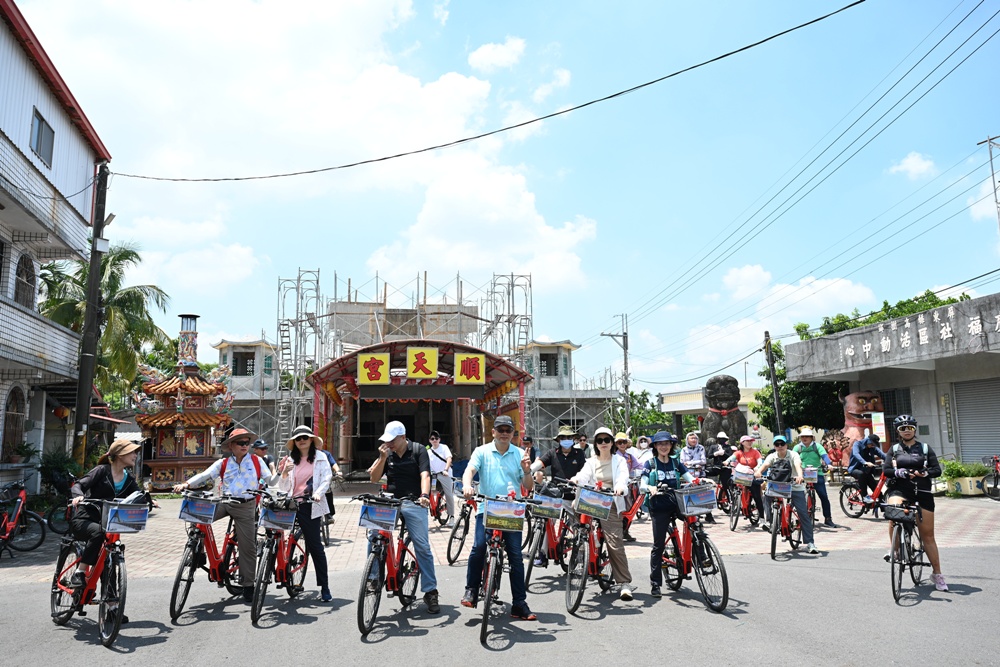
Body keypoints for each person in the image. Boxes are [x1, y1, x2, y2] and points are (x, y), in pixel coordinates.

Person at [174, 428, 271, 602]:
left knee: (247, 547)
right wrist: (186, 484)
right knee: (197, 514)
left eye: (247, 443)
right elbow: (205, 475)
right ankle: (199, 553)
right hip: (225, 502)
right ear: (231, 445)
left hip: (245, 506)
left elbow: (270, 479)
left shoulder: (257, 461)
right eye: (240, 443)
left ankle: (248, 585)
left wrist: (281, 473)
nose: (244, 445)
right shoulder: (224, 462)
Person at [461, 415, 537, 619]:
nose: (504, 433)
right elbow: (469, 470)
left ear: (513, 434)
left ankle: (519, 603)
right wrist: (467, 485)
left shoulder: (519, 454)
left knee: (515, 556)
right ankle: (471, 590)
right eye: (500, 430)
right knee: (478, 547)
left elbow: (528, 486)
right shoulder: (482, 451)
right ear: (493, 432)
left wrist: (527, 471)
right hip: (487, 507)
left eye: (508, 430)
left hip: (512, 510)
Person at [368, 420, 440, 613]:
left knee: (422, 546)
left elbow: (425, 475)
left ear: (403, 437)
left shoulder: (418, 450)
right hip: (390, 501)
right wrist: (382, 458)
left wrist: (424, 496)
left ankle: (430, 591)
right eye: (386, 440)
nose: (388, 444)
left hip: (414, 501)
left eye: (392, 440)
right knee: (374, 535)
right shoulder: (387, 453)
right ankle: (373, 578)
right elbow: (373, 478)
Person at [883, 414, 947, 591]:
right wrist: (900, 472)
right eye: (903, 428)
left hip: (923, 493)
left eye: (910, 428)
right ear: (898, 431)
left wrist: (925, 473)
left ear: (914, 429)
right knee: (893, 510)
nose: (907, 431)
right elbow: (886, 470)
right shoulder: (894, 449)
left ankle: (937, 574)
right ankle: (895, 550)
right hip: (901, 490)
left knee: (928, 536)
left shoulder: (925, 448)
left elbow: (937, 470)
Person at [570, 426, 634, 601]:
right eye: (600, 440)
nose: (603, 443)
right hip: (591, 499)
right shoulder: (591, 462)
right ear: (596, 444)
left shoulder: (619, 461)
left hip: (610, 501)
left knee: (615, 543)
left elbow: (623, 477)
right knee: (576, 509)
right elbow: (583, 475)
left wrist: (619, 487)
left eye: (607, 440)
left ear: (612, 443)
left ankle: (624, 583)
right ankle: (584, 542)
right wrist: (576, 479)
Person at [69, 438, 142, 587]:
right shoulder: (102, 470)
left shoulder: (128, 478)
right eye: (132, 452)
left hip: (108, 522)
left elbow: (138, 495)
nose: (135, 455)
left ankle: (111, 598)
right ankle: (80, 572)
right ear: (120, 454)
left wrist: (150, 501)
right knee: (98, 533)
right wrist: (78, 496)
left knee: (110, 552)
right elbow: (78, 485)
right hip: (85, 519)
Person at [275, 425, 333, 601]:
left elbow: (326, 478)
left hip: (310, 504)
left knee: (315, 546)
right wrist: (284, 474)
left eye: (305, 438)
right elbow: (283, 487)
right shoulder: (289, 459)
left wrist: (318, 493)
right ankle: (270, 570)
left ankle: (324, 586)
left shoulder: (321, 457)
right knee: (273, 536)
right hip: (290, 504)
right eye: (298, 439)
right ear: (294, 442)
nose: (301, 441)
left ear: (311, 440)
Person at [640, 431, 694, 598]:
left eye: (667, 443)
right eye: (660, 444)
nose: (664, 446)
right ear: (655, 446)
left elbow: (689, 478)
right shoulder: (650, 463)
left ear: (671, 445)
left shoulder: (676, 462)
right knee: (659, 545)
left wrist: (700, 481)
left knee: (695, 524)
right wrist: (649, 487)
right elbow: (642, 484)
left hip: (677, 503)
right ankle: (655, 583)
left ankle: (702, 555)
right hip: (659, 506)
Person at [529, 425, 588, 566]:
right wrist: (528, 470)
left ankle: (581, 557)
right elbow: (540, 463)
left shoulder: (579, 454)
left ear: (573, 439)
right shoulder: (552, 453)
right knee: (546, 522)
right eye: (563, 437)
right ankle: (542, 554)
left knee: (579, 526)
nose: (566, 440)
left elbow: (585, 472)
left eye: (569, 437)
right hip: (555, 494)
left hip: (572, 495)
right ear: (559, 440)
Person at [755, 435, 818, 553]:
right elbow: (765, 465)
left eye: (782, 444)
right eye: (777, 444)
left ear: (786, 445)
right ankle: (769, 521)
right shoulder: (772, 456)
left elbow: (798, 465)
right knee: (766, 496)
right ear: (774, 446)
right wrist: (759, 472)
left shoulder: (793, 454)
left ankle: (810, 543)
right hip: (777, 485)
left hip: (794, 485)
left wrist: (800, 476)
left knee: (803, 513)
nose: (780, 446)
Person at [794, 427, 839, 528]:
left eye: (807, 436)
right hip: (802, 474)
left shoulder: (817, 446)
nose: (804, 438)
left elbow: (824, 456)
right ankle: (796, 518)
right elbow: (792, 458)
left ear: (812, 438)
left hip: (817, 473)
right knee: (796, 496)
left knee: (823, 496)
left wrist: (829, 464)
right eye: (802, 436)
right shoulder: (797, 448)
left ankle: (828, 519)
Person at [724, 435, 767, 526]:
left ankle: (762, 518)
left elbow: (760, 461)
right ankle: (734, 499)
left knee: (757, 497)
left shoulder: (755, 452)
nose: (750, 442)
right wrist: (727, 462)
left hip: (752, 475)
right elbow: (731, 458)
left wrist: (757, 468)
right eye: (747, 441)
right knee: (730, 482)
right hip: (741, 475)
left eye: (751, 441)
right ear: (742, 443)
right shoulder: (739, 453)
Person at [613, 433, 643, 542]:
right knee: (618, 509)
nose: (622, 444)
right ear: (616, 444)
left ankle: (625, 531)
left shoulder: (630, 457)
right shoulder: (613, 457)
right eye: (619, 442)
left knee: (630, 509)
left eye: (624, 442)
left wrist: (650, 467)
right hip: (615, 487)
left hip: (628, 486)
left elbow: (640, 465)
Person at [679, 432, 714, 523]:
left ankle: (709, 515)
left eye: (695, 438)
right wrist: (693, 463)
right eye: (691, 438)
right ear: (687, 440)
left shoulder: (700, 448)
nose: (694, 440)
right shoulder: (684, 450)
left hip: (700, 473)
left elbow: (703, 461)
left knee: (704, 494)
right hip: (688, 474)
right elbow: (682, 462)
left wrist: (690, 463)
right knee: (690, 494)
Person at [427, 430, 456, 526]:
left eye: (436, 438)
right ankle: (434, 509)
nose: (434, 440)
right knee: (427, 492)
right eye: (432, 439)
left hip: (444, 474)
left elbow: (449, 459)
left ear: (439, 439)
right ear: (429, 440)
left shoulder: (444, 447)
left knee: (449, 495)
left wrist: (446, 469)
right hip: (434, 475)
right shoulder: (428, 452)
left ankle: (451, 516)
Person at [849, 433, 884, 501]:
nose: (872, 446)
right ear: (868, 441)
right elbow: (856, 454)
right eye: (872, 444)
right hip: (855, 469)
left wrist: (891, 460)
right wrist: (865, 462)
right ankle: (865, 496)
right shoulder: (857, 444)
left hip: (866, 471)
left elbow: (882, 454)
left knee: (877, 491)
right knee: (861, 474)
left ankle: (881, 503)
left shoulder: (872, 448)